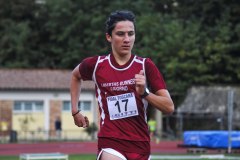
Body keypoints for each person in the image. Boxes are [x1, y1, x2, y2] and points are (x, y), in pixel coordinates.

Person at [70, 10, 174, 160]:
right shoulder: (96, 65)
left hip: (140, 143)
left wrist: (144, 93)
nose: (127, 39)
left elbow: (169, 107)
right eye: (120, 34)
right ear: (109, 37)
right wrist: (75, 111)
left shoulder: (146, 66)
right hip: (110, 141)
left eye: (131, 34)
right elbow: (75, 76)